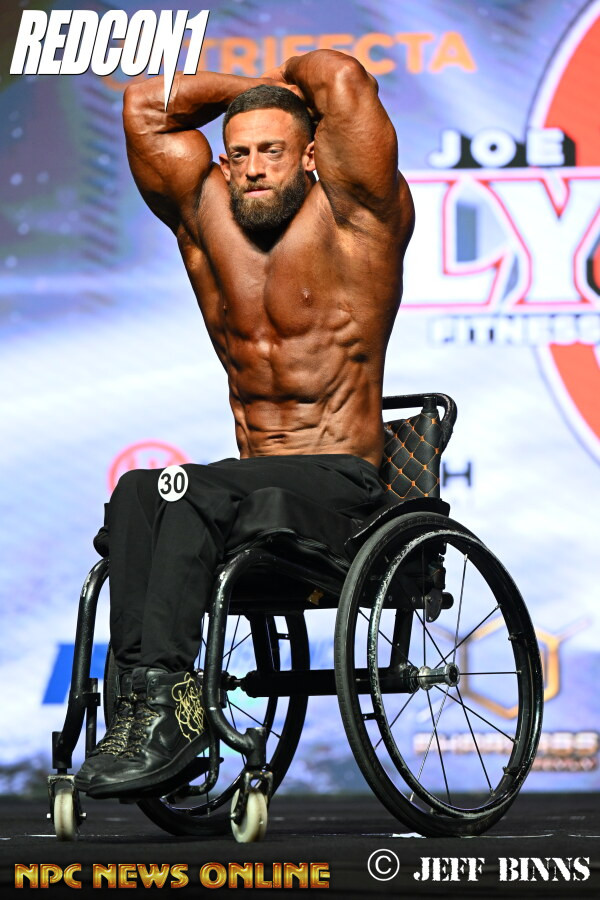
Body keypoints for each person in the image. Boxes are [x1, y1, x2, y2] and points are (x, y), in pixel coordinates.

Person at [75, 49, 414, 799]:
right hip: (249, 487)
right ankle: (150, 706)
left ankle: (167, 711)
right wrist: (252, 94)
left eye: (272, 150)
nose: (253, 168)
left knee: (194, 491)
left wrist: (280, 89)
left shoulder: (359, 221)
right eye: (239, 153)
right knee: (140, 491)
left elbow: (338, 77)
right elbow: (145, 105)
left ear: (312, 154)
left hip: (340, 484)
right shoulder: (205, 219)